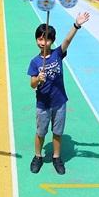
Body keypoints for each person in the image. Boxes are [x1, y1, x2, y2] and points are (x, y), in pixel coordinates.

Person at [28, 12, 91, 175]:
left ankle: (56, 157)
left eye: (47, 39)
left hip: (59, 102)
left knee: (57, 132)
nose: (43, 42)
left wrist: (76, 25)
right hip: (42, 104)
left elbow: (67, 41)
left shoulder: (57, 54)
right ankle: (37, 156)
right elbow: (31, 84)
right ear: (36, 40)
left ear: (52, 41)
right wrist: (38, 79)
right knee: (41, 132)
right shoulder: (35, 62)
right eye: (40, 39)